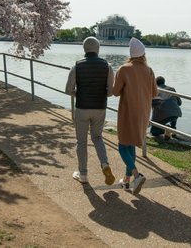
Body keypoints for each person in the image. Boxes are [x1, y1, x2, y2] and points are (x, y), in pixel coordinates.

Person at [64, 36, 117, 185]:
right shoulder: (107, 66)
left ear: (84, 49)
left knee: (81, 142)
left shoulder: (77, 66)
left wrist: (78, 93)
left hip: (82, 107)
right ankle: (105, 164)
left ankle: (83, 174)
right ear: (98, 49)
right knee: (98, 138)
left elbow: (68, 90)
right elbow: (111, 91)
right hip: (100, 107)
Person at [112, 37, 158, 196]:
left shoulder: (124, 69)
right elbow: (154, 93)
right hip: (143, 113)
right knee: (130, 145)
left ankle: (137, 176)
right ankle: (126, 180)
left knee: (122, 145)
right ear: (144, 55)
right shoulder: (149, 70)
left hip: (128, 111)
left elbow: (115, 92)